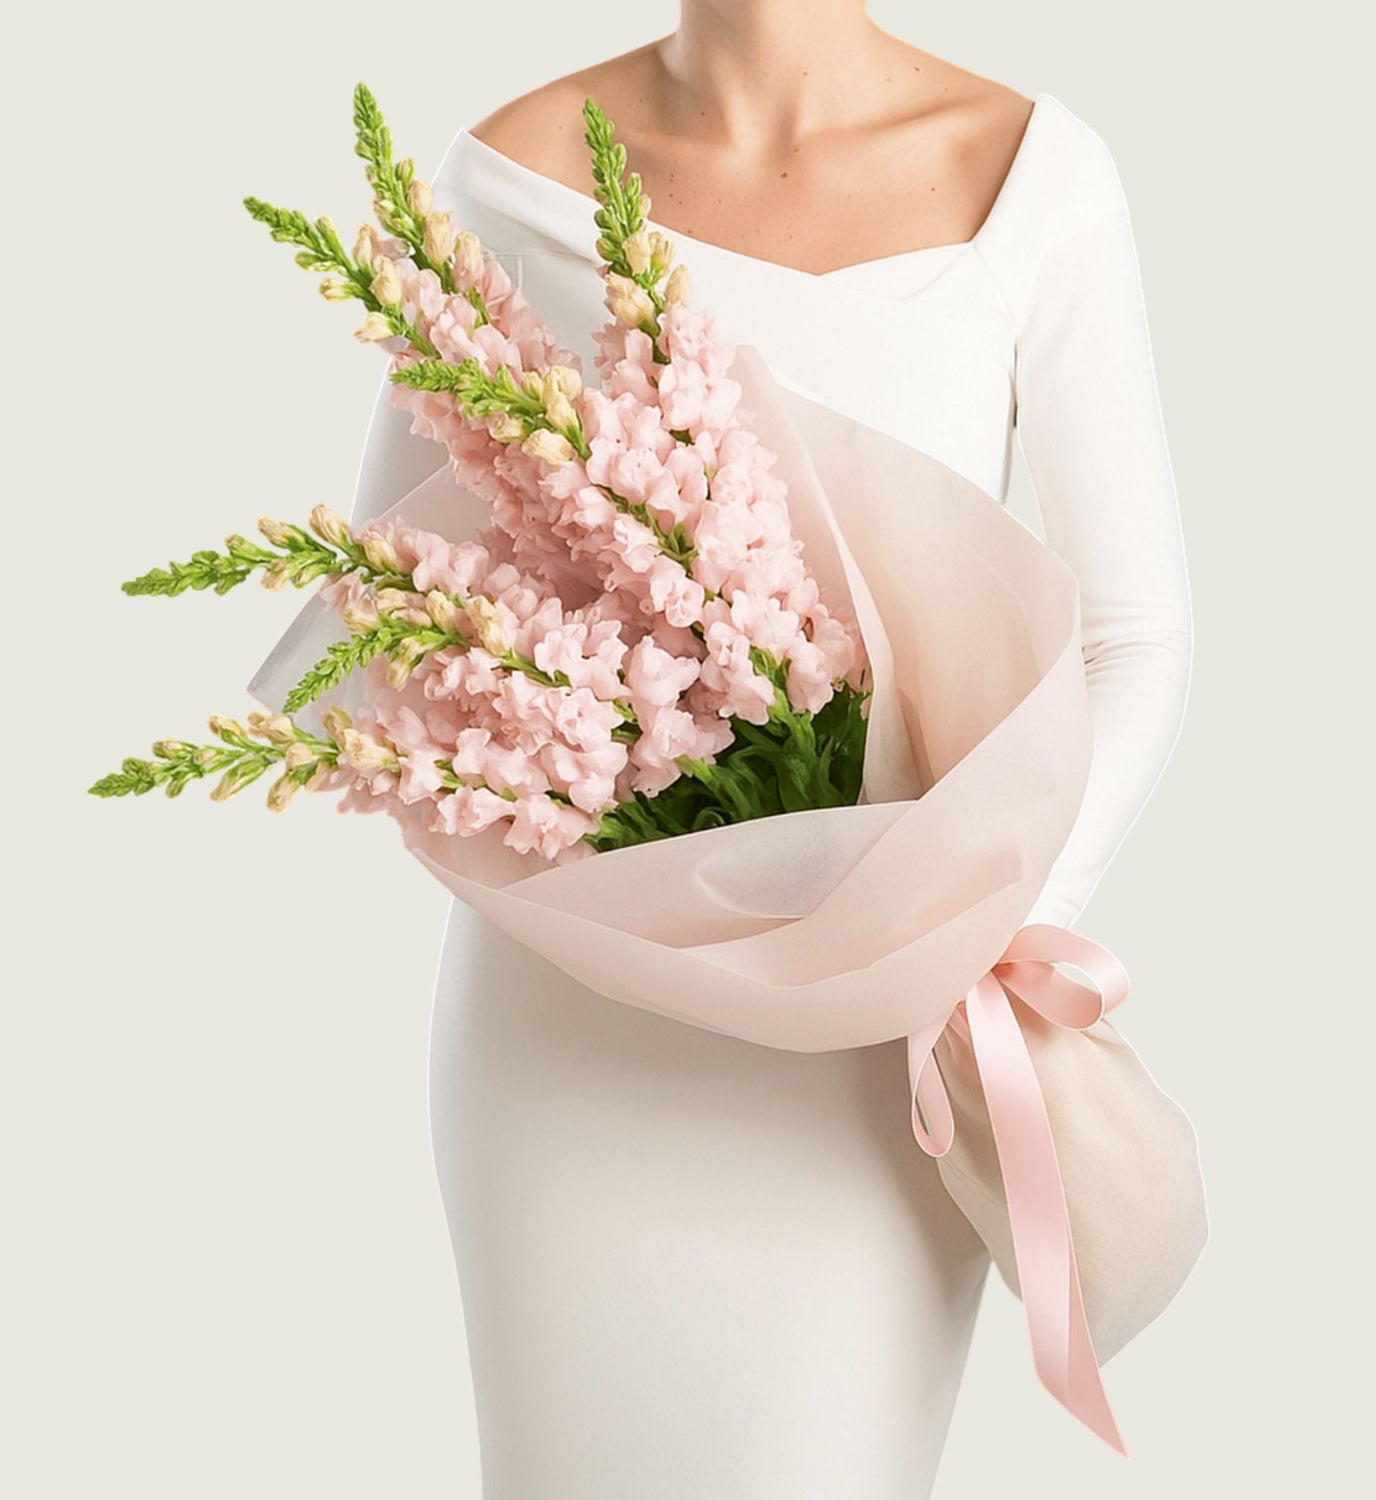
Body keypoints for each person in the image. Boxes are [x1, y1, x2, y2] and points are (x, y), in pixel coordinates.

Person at [348, 7, 1193, 1495]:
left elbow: (1136, 636)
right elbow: (398, 612)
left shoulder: (1029, 181)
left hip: (874, 1065)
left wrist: (962, 936)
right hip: (574, 1038)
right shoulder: (510, 177)